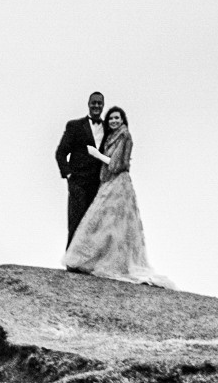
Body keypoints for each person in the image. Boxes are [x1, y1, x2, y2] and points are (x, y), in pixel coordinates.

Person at [63, 106, 166, 283]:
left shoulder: (124, 136)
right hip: (109, 182)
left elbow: (117, 164)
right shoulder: (112, 136)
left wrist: (97, 155)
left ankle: (108, 263)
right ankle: (96, 261)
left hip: (118, 184)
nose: (113, 121)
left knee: (111, 224)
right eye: (111, 119)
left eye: (117, 118)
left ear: (123, 120)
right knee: (105, 225)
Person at [55, 92, 107, 245]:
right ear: (88, 104)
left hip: (98, 184)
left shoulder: (108, 129)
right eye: (94, 103)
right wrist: (69, 175)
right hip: (78, 182)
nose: (96, 106)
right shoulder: (75, 126)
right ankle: (71, 261)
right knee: (76, 221)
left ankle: (88, 262)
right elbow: (61, 153)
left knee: (95, 224)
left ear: (103, 105)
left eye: (99, 103)